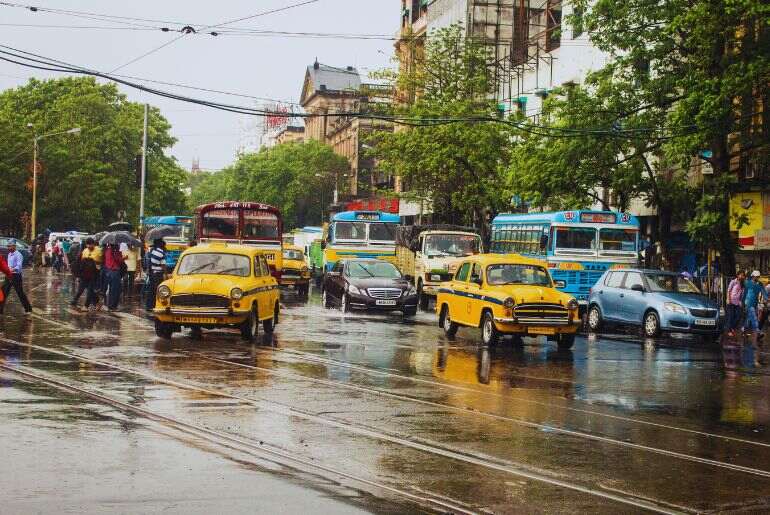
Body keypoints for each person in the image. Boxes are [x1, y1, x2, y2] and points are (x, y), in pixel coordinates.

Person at [1, 240, 32, 314]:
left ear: (14, 246)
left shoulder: (18, 255)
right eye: (8, 246)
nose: (8, 248)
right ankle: (0, 310)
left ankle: (28, 309)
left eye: (10, 246)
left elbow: (19, 266)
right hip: (8, 276)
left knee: (20, 293)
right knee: (3, 292)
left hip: (16, 276)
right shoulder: (9, 254)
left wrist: (12, 269)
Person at [71, 238, 101, 309]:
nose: (88, 246)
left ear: (93, 244)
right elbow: (81, 261)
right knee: (81, 289)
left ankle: (86, 306)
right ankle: (96, 302)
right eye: (87, 244)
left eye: (90, 244)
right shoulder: (85, 251)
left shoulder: (99, 251)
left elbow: (102, 261)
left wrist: (96, 263)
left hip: (94, 274)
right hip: (84, 274)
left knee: (90, 290)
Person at [743, 270, 766, 347]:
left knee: (749, 318)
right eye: (756, 276)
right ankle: (758, 332)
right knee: (754, 318)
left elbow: (764, 292)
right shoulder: (748, 283)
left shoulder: (759, 284)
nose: (758, 278)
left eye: (758, 277)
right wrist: (743, 302)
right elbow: (745, 293)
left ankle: (744, 329)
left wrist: (766, 298)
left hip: (755, 303)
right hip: (749, 303)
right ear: (753, 276)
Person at [145, 239, 167, 311]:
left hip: (152, 272)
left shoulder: (152, 250)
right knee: (157, 290)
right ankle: (155, 305)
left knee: (151, 290)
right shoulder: (161, 253)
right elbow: (163, 265)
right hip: (158, 274)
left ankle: (149, 305)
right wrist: (165, 274)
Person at [103, 243, 125, 311]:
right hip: (114, 272)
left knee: (112, 290)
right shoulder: (114, 251)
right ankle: (113, 306)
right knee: (115, 290)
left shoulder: (107, 250)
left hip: (108, 271)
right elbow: (119, 260)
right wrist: (123, 257)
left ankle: (110, 305)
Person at [725, 270, 745, 338]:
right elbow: (729, 290)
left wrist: (741, 301)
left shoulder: (742, 284)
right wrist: (728, 299)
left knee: (738, 316)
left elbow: (741, 294)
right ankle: (729, 331)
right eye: (741, 275)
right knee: (731, 316)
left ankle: (732, 327)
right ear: (738, 275)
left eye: (743, 275)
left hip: (737, 302)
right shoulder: (733, 281)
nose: (742, 276)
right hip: (731, 301)